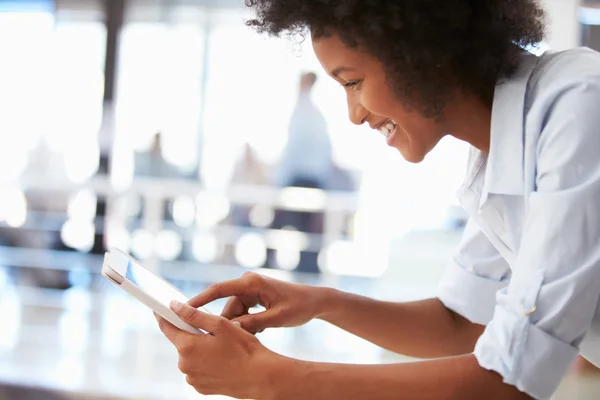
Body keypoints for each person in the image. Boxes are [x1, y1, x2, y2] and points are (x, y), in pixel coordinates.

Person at [154, 1, 600, 399]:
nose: (354, 114)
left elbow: (509, 380)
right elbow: (462, 323)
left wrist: (270, 378)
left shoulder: (578, 105)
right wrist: (318, 303)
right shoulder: (500, 150)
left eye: (352, 82)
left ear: (421, 53)